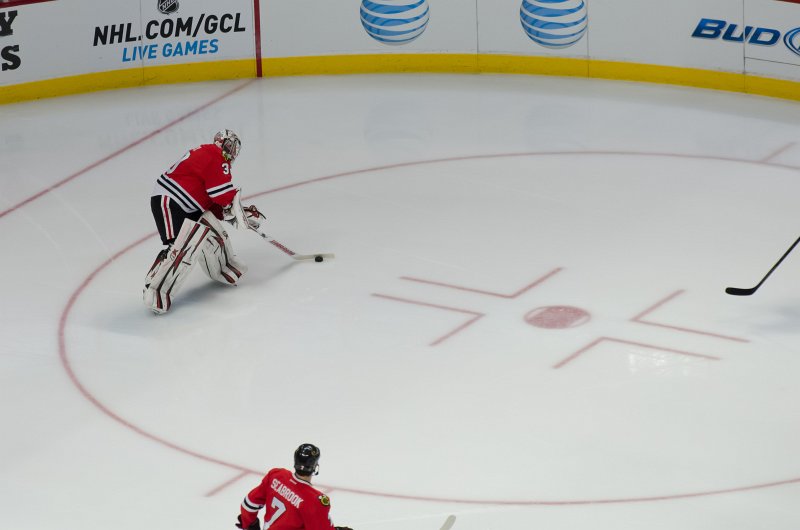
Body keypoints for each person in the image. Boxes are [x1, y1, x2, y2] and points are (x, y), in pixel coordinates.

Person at [143, 129, 264, 314]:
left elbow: (214, 203)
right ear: (221, 143)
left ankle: (223, 266)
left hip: (186, 204)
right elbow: (222, 195)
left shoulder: (209, 156)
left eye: (235, 148)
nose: (232, 152)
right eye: (230, 146)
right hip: (170, 201)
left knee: (210, 228)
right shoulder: (214, 156)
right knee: (181, 247)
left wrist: (235, 213)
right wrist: (236, 209)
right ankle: (155, 288)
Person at [236, 444, 353, 530]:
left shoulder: (276, 475)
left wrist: (249, 524)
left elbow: (249, 504)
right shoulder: (315, 500)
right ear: (315, 467)